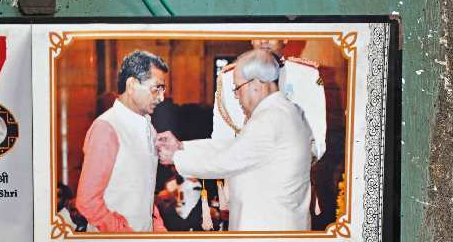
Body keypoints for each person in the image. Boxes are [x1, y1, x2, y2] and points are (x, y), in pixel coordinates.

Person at [157, 49, 313, 231]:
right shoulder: (284, 112)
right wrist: (181, 147)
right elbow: (234, 147)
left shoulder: (269, 120)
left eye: (238, 88)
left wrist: (175, 158)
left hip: (268, 233)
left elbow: (226, 161)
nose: (236, 95)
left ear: (257, 84)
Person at [76, 50, 168, 232]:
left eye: (162, 89)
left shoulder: (149, 128)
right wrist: (125, 235)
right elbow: (87, 201)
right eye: (156, 88)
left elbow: (143, 193)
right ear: (132, 84)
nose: (161, 97)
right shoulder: (107, 127)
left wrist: (157, 228)